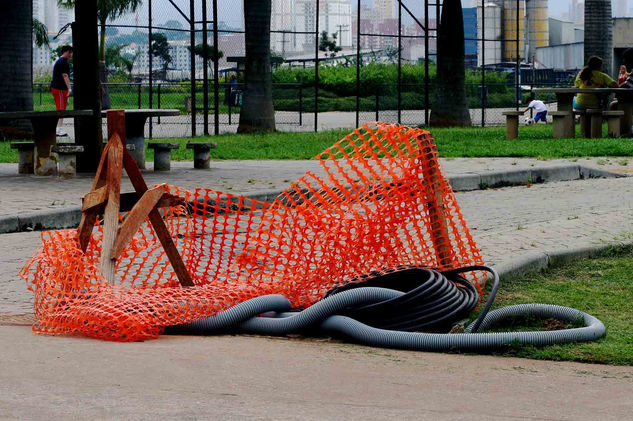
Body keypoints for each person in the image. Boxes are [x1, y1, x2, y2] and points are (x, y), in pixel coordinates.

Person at [50, 45, 73, 137]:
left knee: (62, 108)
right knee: (61, 110)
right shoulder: (63, 62)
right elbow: (65, 76)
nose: (71, 54)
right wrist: (69, 88)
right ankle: (57, 129)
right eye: (70, 52)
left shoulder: (61, 61)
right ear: (65, 52)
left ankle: (58, 129)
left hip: (60, 88)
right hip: (58, 88)